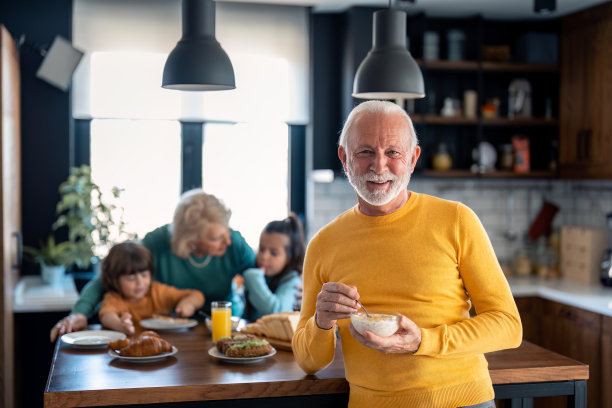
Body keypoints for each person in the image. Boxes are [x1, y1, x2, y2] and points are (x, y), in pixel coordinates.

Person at [292, 100, 522, 408]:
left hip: (463, 401)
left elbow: (508, 326)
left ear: (413, 159)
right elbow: (309, 362)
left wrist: (423, 341)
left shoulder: (456, 220)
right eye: (365, 152)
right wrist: (321, 322)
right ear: (344, 158)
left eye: (392, 152)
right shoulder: (323, 244)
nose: (379, 166)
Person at [50, 189, 256, 342]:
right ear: (190, 240)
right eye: (216, 238)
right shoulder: (156, 243)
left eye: (226, 232)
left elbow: (262, 278)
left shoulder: (234, 243)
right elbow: (108, 278)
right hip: (167, 334)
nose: (227, 241)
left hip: (219, 332)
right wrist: (79, 313)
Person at [98, 241, 204, 335]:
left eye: (144, 275)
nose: (140, 283)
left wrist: (189, 303)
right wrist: (120, 326)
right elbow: (106, 316)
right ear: (115, 280)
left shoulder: (158, 291)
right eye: (131, 278)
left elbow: (197, 295)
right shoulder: (114, 298)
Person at [239, 213, 305, 321]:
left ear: (289, 257)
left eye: (274, 253)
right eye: (261, 249)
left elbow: (276, 313)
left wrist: (254, 279)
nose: (264, 257)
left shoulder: (293, 281)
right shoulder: (263, 274)